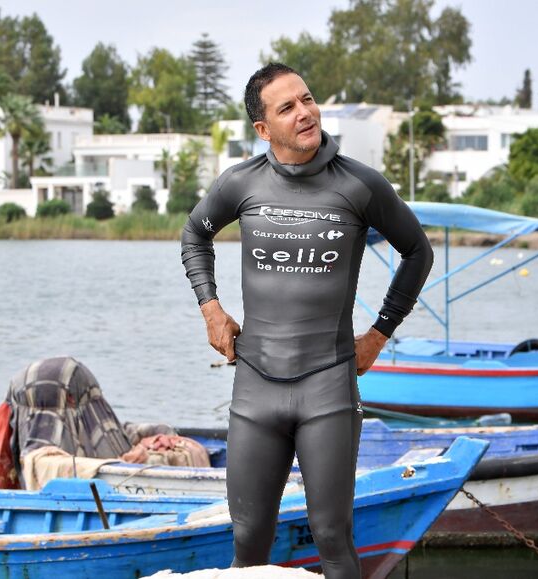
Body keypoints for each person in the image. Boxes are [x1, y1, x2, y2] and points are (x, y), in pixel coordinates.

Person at [181, 63, 433, 578]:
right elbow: (194, 234)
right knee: (249, 539)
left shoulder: (360, 185)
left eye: (308, 99)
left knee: (333, 538)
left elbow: (417, 252)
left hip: (328, 387)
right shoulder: (241, 183)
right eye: (287, 107)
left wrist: (380, 334)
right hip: (255, 389)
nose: (305, 113)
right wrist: (211, 307)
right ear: (262, 128)